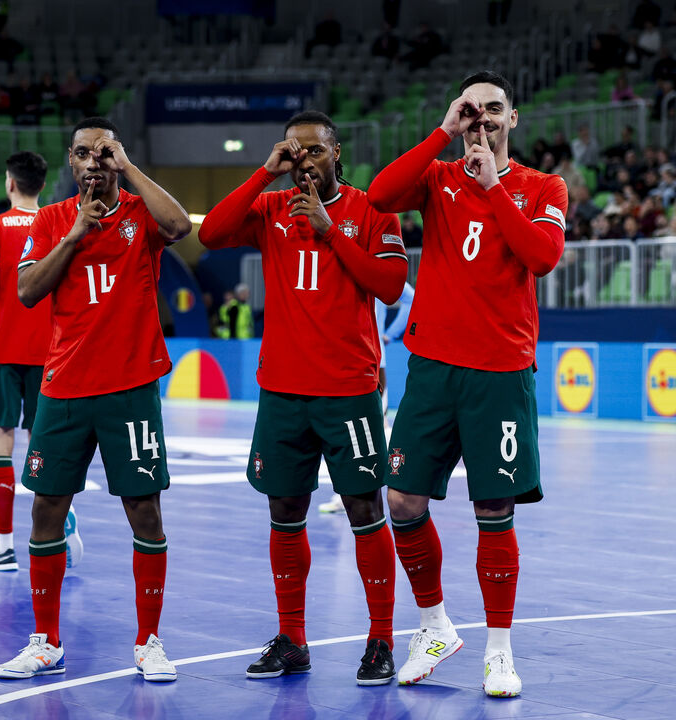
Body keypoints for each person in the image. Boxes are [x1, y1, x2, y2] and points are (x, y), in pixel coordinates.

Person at [367, 70, 566, 697]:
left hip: (501, 373)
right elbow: (378, 195)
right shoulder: (437, 177)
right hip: (432, 367)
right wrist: (441, 134)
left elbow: (542, 256)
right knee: (400, 500)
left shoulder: (542, 186)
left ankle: (499, 651)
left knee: (494, 509)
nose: (481, 120)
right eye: (470, 110)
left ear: (513, 119)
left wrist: (493, 189)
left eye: (493, 110)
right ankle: (433, 625)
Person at [198, 111, 408, 686]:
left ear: (336, 153)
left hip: (349, 392)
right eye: (294, 152)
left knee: (366, 512)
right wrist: (264, 173)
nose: (304, 162)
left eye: (314, 151)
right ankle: (293, 638)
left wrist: (329, 228)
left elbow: (390, 286)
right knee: (284, 513)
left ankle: (381, 640)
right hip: (283, 393)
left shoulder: (372, 211)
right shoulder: (270, 209)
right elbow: (210, 234)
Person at [0, 117, 191, 682]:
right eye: (84, 153)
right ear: (71, 162)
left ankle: (149, 641)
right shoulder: (54, 219)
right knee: (45, 509)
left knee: (145, 511)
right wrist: (75, 234)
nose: (94, 162)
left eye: (104, 154)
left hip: (130, 389)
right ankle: (46, 640)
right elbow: (28, 291)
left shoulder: (140, 215)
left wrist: (127, 167)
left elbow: (180, 225)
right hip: (63, 388)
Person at [0, 151, 82, 573]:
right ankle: (58, 526)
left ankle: (3, 548)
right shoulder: (59, 222)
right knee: (45, 446)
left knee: (0, 443)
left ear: (9, 183)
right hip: (52, 353)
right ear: (42, 183)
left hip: (2, 351)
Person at [321, 279, 414, 514]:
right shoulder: (373, 268)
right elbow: (410, 298)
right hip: (367, 356)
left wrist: (389, 334)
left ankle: (389, 485)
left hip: (363, 359)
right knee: (368, 427)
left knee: (366, 428)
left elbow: (411, 298)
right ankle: (378, 488)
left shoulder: (366, 267)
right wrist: (389, 334)